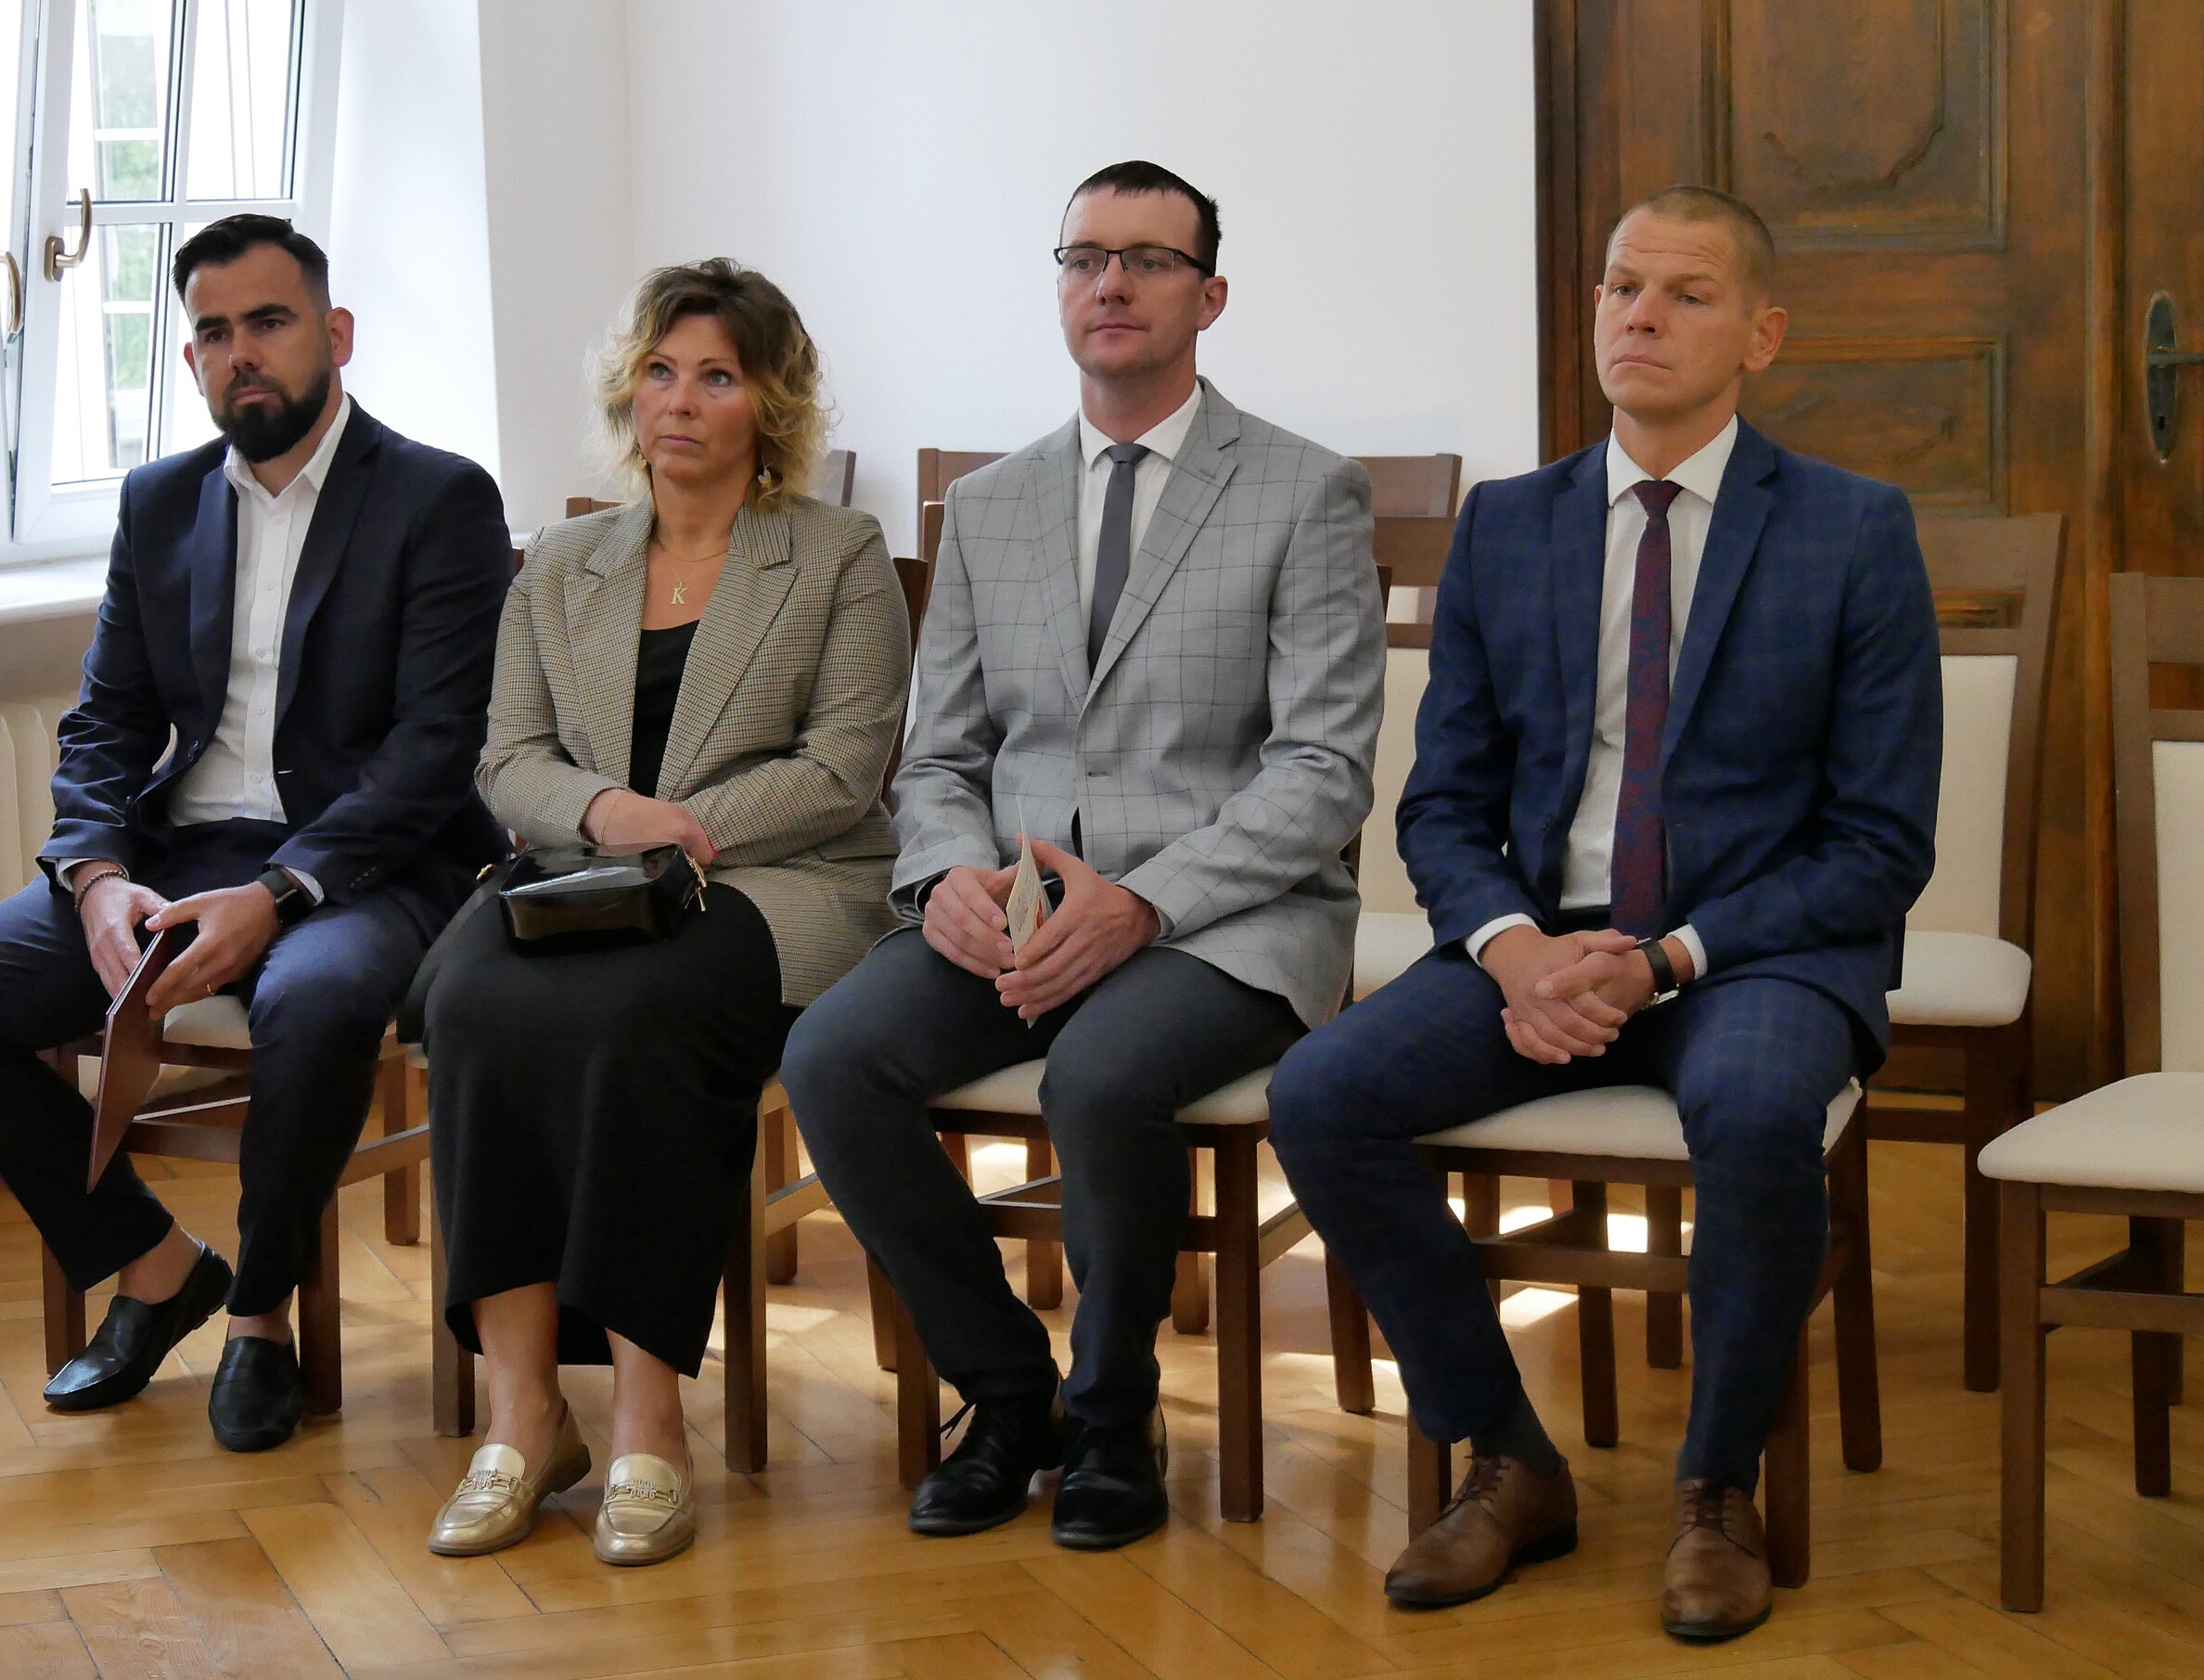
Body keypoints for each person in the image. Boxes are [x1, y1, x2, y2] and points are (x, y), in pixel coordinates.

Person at [1267, 186, 1941, 1642]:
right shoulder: (1510, 525)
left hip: (1752, 953)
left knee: (1756, 1111)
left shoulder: (1853, 529)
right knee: (1322, 1092)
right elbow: (1442, 805)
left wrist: (1668, 958)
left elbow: (1882, 842)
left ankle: (1718, 1487)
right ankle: (1509, 1456)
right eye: (1622, 286)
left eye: (1687, 294)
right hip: (1548, 943)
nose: (1641, 316)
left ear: (1762, 334)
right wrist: (1517, 949)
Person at [782, 161, 1385, 1553]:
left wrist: (1146, 903)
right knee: (832, 1057)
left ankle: (1115, 1414)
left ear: (1209, 297)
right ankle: (1009, 1395)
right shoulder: (989, 505)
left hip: (1230, 919)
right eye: (1084, 257)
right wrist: (946, 879)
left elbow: (1323, 772)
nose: (1111, 283)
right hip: (1017, 910)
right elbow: (939, 754)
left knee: (1102, 1074)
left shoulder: (1305, 490)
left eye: (1149, 259)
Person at [0, 214, 511, 1453]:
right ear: (190, 359)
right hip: (179, 853)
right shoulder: (161, 501)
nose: (242, 353)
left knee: (314, 1007)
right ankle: (157, 1265)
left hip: (370, 863)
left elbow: (437, 748)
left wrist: (280, 893)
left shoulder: (438, 497)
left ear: (335, 334)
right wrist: (98, 876)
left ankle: (261, 1313)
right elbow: (108, 719)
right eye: (214, 333)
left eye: (269, 322)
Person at [419, 260, 910, 1567]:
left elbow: (844, 767)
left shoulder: (838, 553)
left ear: (770, 405)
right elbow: (507, 756)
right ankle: (524, 1416)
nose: (680, 400)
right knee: (468, 1002)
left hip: (776, 880)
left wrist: (682, 831)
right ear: (628, 392)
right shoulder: (561, 559)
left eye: (717, 376)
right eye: (659, 370)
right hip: (580, 882)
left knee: (641, 1017)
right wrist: (606, 815)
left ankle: (648, 1420)